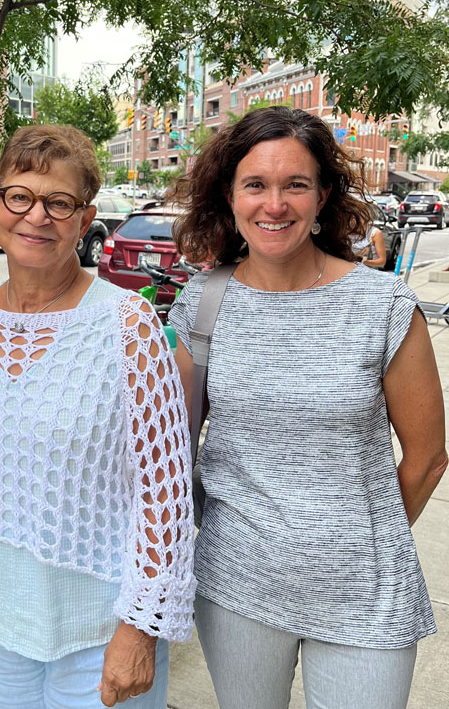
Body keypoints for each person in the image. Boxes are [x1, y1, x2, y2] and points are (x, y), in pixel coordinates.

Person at [167, 106, 447, 709]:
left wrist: (355, 539)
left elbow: (426, 459)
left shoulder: (383, 306)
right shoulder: (202, 304)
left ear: (322, 196)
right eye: (256, 185)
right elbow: (172, 450)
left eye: (295, 184)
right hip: (237, 586)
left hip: (367, 593)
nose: (275, 205)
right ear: (230, 195)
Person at [0, 124, 196, 708]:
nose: (37, 216)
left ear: (85, 221)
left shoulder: (126, 324)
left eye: (59, 202)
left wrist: (141, 627)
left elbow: (165, 488)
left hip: (101, 635)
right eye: (20, 196)